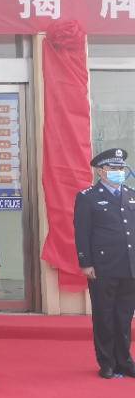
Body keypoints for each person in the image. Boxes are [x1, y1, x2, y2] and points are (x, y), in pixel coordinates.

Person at [74, 147, 135, 379]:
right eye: (113, 168)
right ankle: (107, 362)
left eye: (121, 168)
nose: (119, 171)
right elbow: (82, 233)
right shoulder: (88, 197)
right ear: (101, 171)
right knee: (104, 315)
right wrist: (85, 263)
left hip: (129, 266)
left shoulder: (131, 194)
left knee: (124, 315)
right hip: (102, 267)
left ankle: (125, 360)